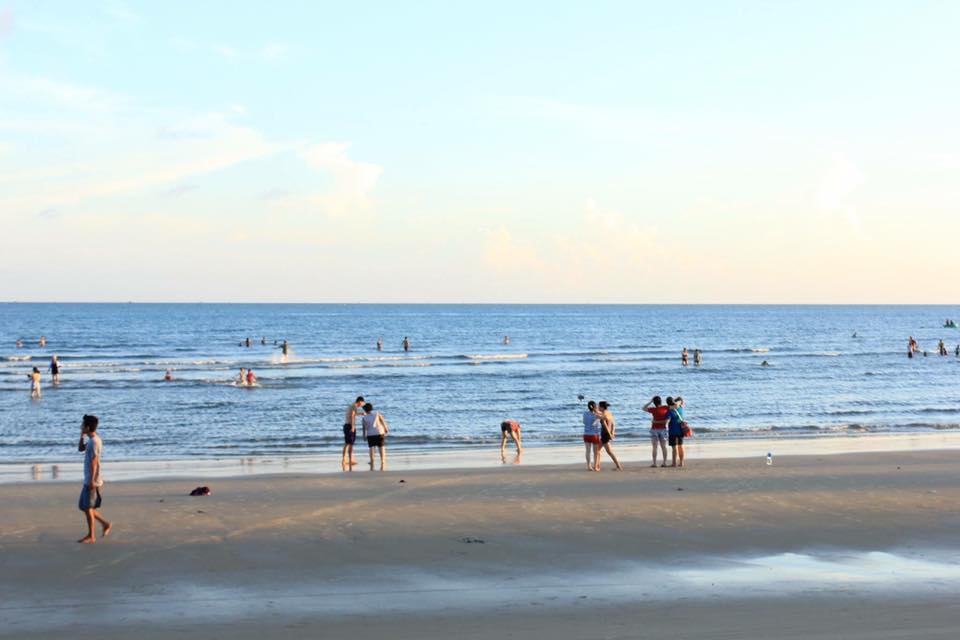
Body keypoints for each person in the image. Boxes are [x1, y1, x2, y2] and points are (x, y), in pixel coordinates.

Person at [77, 414, 111, 544]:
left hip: (92, 480)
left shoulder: (95, 442)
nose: (81, 426)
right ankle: (105, 524)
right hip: (88, 478)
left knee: (88, 508)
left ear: (87, 427)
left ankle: (91, 536)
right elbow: (80, 449)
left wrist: (91, 480)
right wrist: (81, 436)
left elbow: (94, 461)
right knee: (84, 506)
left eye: (82, 425)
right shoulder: (91, 441)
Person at [362, 402, 389, 471]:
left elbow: (364, 428)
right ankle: (382, 461)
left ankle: (372, 461)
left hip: (370, 434)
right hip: (379, 432)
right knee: (381, 447)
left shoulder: (364, 418)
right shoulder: (377, 414)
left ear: (365, 410)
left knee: (371, 447)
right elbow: (383, 421)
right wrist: (386, 428)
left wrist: (364, 436)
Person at [643, 396, 669, 467]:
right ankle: (664, 463)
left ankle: (654, 463)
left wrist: (650, 401)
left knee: (655, 447)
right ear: (661, 401)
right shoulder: (666, 408)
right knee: (664, 447)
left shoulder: (653, 409)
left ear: (654, 403)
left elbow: (644, 408)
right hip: (663, 429)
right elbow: (674, 406)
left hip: (654, 429)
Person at [597, 401, 623, 471]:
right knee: (601, 451)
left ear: (602, 407)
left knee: (607, 451)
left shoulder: (604, 415)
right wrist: (613, 432)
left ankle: (618, 466)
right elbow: (613, 424)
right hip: (606, 434)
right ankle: (598, 465)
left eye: (599, 406)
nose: (598, 407)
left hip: (605, 435)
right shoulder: (609, 413)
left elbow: (605, 426)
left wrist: (610, 435)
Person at [342, 396, 364, 470]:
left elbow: (354, 414)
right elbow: (352, 416)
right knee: (350, 444)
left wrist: (360, 413)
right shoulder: (354, 406)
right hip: (350, 426)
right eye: (362, 403)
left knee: (347, 443)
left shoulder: (351, 405)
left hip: (346, 425)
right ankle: (350, 460)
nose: (362, 405)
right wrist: (353, 427)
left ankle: (344, 460)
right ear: (360, 401)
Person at [581, 401, 602, 471]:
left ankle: (589, 466)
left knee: (588, 451)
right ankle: (595, 466)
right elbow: (595, 424)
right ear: (595, 407)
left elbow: (584, 422)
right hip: (594, 435)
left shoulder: (585, 413)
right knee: (595, 452)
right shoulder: (597, 415)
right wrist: (597, 412)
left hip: (586, 434)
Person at [666, 397, 685, 467]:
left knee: (674, 447)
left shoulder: (670, 411)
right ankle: (681, 462)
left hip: (672, 431)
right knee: (680, 446)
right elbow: (681, 399)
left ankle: (674, 463)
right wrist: (675, 400)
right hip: (681, 430)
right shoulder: (681, 408)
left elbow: (667, 421)